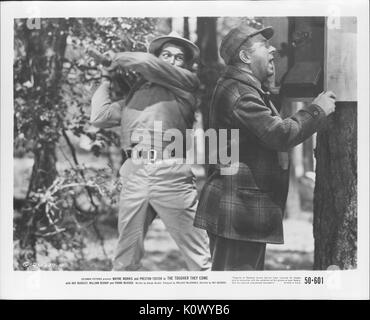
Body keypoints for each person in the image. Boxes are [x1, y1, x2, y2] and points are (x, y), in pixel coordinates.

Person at [194, 24, 336, 271]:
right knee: (236, 288)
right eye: (264, 46)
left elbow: (261, 125)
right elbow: (278, 134)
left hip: (242, 212)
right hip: (238, 213)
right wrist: (318, 110)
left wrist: (271, 82)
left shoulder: (243, 88)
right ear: (245, 57)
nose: (273, 50)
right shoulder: (238, 92)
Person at [90, 31, 211, 271]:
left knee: (199, 260)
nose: (172, 61)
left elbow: (147, 63)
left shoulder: (186, 82)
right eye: (166, 55)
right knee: (124, 261)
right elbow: (100, 116)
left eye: (178, 58)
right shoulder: (136, 95)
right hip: (134, 173)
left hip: (171, 174)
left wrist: (113, 57)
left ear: (185, 65)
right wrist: (105, 79)